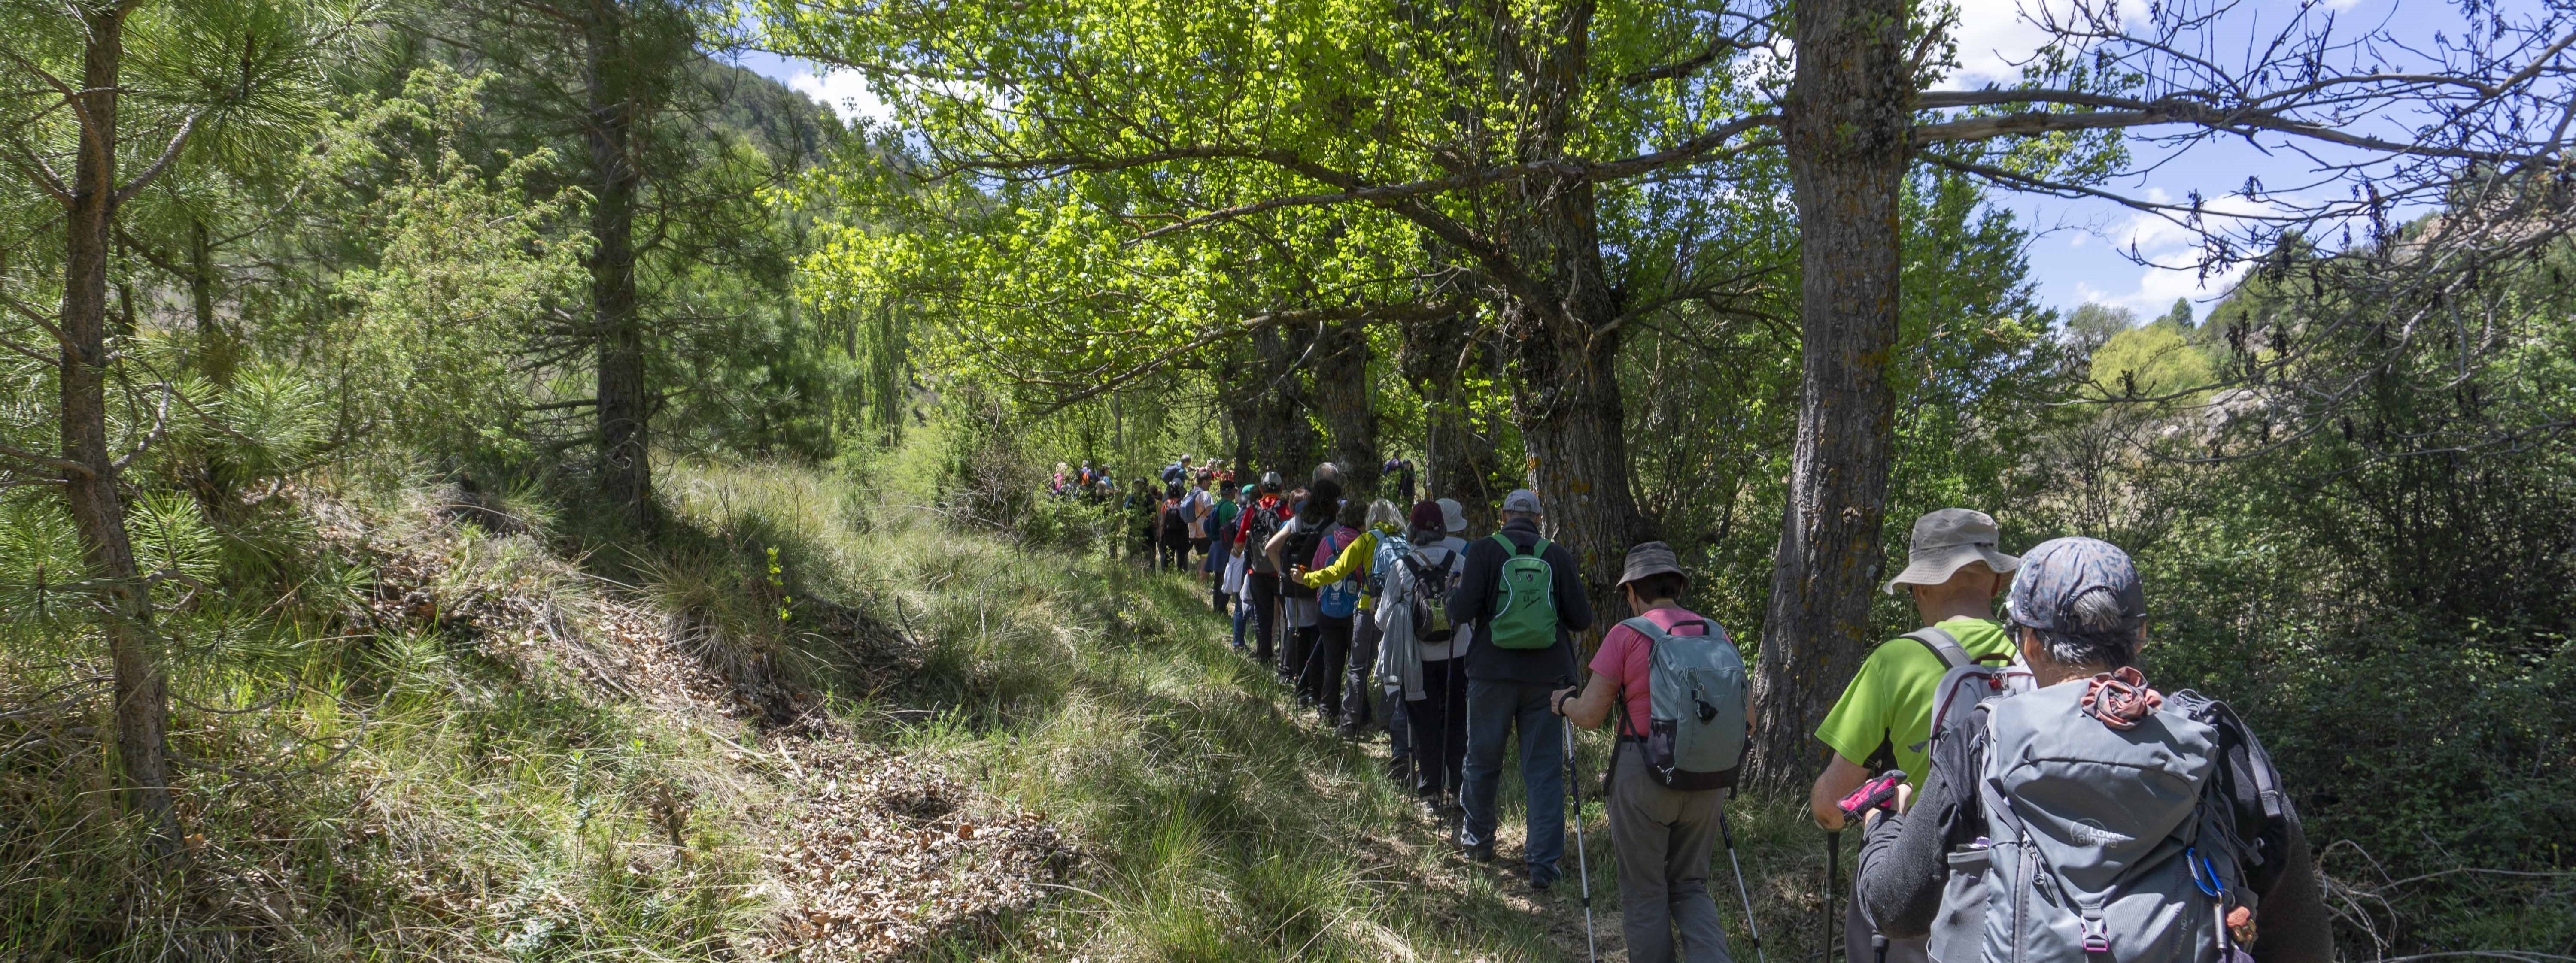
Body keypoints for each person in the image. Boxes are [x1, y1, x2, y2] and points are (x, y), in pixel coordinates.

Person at [1853, 537, 2330, 963]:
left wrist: (1882, 823)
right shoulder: (2213, 741)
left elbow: (1895, 908)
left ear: (2031, 643)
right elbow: (2301, 940)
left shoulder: (1984, 739)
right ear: (2140, 635)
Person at [1809, 509, 2022, 963]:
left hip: (1918, 898)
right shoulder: (2036, 661)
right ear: (1996, 585)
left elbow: (1830, 809)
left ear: (1921, 586)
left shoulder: (1895, 662)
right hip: (2014, 897)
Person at [1551, 542, 1748, 963]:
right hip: (1708, 778)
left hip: (1642, 773)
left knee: (1645, 893)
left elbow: (1591, 715)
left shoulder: (1626, 635)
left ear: (1631, 592)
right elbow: (1748, 720)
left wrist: (1564, 703)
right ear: (1678, 586)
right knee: (1691, 886)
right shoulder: (1716, 635)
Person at [1449, 488, 1593, 891]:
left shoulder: (1483, 551)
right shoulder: (1556, 556)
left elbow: (1461, 611)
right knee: (1543, 770)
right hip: (1548, 681)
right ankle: (1544, 863)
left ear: (1504, 516)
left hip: (1491, 675)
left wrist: (1451, 595)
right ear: (1538, 519)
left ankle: (1478, 843)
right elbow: (1581, 619)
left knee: (1482, 760)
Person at [1375, 499, 1473, 812]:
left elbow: (1382, 619)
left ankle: (1431, 794)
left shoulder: (1402, 567)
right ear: (1443, 529)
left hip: (1418, 661)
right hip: (1459, 654)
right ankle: (1459, 789)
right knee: (1457, 722)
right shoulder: (1460, 562)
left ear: (1413, 530)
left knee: (1424, 725)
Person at [1293, 498, 1404, 737]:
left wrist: (1307, 579)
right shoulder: (1404, 541)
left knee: (1357, 667)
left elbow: (1337, 571)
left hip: (1369, 609)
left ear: (1372, 517)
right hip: (1399, 612)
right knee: (1394, 668)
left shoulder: (1366, 540)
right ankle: (1391, 722)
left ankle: (1349, 724)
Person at [1267, 475, 1343, 698]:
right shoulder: (1332, 527)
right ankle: (1315, 691)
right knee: (1317, 641)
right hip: (1319, 591)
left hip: (1295, 590)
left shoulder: (1297, 522)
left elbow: (1270, 548)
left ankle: (1300, 691)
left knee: (1297, 637)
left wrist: (1284, 575)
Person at [1235, 474, 1288, 663]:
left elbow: (1239, 542)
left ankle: (1264, 657)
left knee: (1262, 615)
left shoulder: (1252, 509)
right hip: (1281, 571)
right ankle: (1287, 659)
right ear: (1281, 488)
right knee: (1288, 616)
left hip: (1256, 571)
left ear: (1261, 489)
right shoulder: (1286, 509)